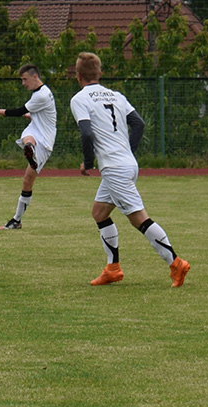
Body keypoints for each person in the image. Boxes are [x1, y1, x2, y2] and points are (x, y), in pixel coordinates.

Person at [70, 52, 190, 287]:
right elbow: (138, 123)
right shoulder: (117, 96)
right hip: (126, 164)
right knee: (99, 213)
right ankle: (112, 268)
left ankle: (176, 263)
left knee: (138, 218)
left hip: (114, 168)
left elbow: (86, 133)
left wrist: (88, 162)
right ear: (100, 73)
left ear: (78, 75)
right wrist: (128, 151)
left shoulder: (80, 99)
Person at [0, 64, 57, 230]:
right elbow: (40, 112)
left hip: (45, 142)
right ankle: (30, 149)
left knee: (27, 181)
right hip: (36, 130)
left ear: (35, 77)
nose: (23, 83)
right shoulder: (42, 92)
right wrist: (31, 115)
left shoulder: (41, 95)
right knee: (27, 138)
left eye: (25, 79)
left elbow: (18, 111)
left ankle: (31, 149)